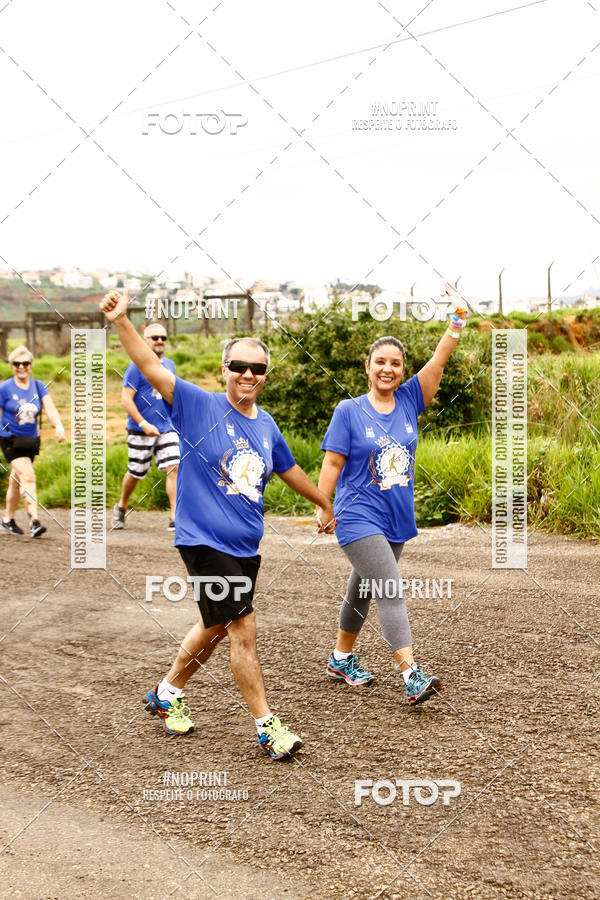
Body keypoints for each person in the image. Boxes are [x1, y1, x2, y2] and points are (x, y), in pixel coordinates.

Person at [100, 289, 336, 760]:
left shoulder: (266, 425)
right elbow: (150, 367)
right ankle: (267, 726)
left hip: (246, 547)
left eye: (258, 368)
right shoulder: (196, 406)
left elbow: (288, 470)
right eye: (239, 366)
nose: (248, 374)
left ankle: (166, 692)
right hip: (203, 540)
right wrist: (123, 321)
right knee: (243, 628)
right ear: (223, 370)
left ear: (266, 375)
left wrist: (323, 501)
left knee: (214, 627)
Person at [317, 286, 468, 705]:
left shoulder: (409, 400)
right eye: (380, 362)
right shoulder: (348, 411)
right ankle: (411, 673)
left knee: (363, 588)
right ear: (367, 367)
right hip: (356, 514)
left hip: (397, 517)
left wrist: (457, 319)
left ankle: (340, 657)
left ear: (402, 370)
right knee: (389, 587)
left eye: (395, 363)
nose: (388, 369)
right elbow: (331, 464)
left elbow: (439, 360)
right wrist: (323, 503)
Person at [111, 321, 180, 531]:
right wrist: (143, 423)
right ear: (145, 341)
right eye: (155, 338)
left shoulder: (169, 365)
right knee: (136, 471)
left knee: (174, 467)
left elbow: (172, 395)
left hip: (166, 427)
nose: (160, 341)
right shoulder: (135, 366)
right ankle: (121, 506)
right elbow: (126, 399)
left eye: (163, 338)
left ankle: (175, 517)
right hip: (140, 429)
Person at [0, 345, 65, 537]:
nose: (21, 367)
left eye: (25, 363)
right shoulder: (4, 388)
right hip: (9, 439)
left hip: (29, 441)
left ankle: (8, 519)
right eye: (17, 364)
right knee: (28, 475)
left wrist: (58, 426)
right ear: (11, 366)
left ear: (31, 365)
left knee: (16, 480)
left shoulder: (38, 386)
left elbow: (49, 407)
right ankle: (34, 520)